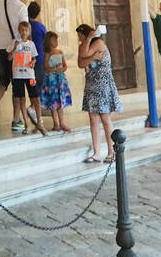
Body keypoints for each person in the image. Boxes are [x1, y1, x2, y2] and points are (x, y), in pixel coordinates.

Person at [76, 23, 121, 163]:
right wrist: (92, 57)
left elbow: (84, 54)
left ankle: (112, 151)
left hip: (103, 84)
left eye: (80, 36)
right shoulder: (84, 45)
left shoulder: (98, 43)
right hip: (91, 85)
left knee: (105, 118)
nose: (79, 39)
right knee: (93, 119)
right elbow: (81, 62)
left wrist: (89, 40)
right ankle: (96, 152)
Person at [0, 0, 29, 131]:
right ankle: (16, 120)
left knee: (3, 79)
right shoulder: (21, 7)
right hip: (15, 48)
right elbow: (24, 29)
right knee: (17, 83)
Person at [9, 20, 46, 136]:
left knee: (35, 98)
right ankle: (26, 123)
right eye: (22, 30)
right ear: (19, 31)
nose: (24, 32)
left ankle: (39, 122)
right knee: (21, 99)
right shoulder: (14, 42)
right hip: (18, 75)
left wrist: (33, 62)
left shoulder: (31, 44)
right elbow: (9, 58)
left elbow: (35, 57)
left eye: (26, 30)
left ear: (29, 32)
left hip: (29, 75)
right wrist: (15, 47)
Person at [40, 30, 72, 132]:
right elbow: (46, 67)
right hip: (52, 81)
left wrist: (62, 69)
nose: (55, 42)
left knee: (60, 103)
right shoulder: (47, 54)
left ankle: (62, 123)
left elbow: (65, 65)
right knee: (53, 103)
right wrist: (55, 69)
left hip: (60, 80)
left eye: (56, 40)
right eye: (53, 40)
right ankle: (56, 123)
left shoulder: (60, 52)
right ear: (48, 41)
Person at [27, 2, 48, 128]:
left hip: (28, 61)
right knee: (40, 85)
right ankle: (33, 108)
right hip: (39, 60)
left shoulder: (26, 27)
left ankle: (33, 108)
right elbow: (46, 43)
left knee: (32, 85)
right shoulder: (40, 27)